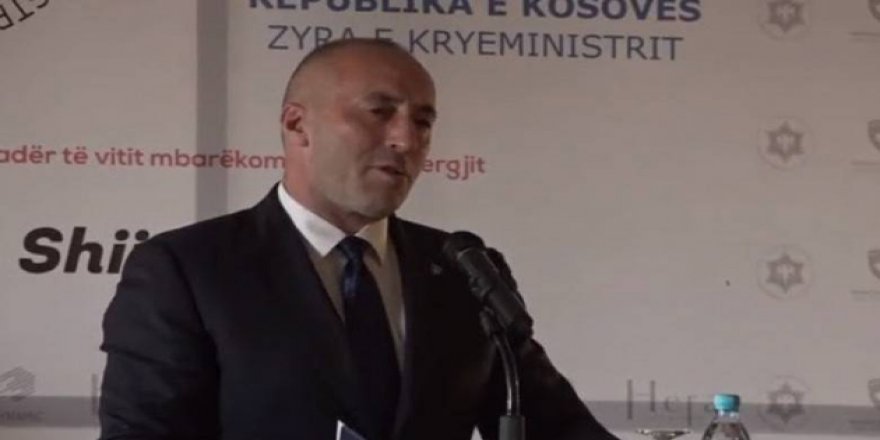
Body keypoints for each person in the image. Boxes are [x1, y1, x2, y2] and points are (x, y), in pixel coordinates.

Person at [99, 38, 618, 440]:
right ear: (297, 125)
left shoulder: (464, 269)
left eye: (423, 121)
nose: (406, 139)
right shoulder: (186, 269)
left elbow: (559, 427)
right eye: (379, 112)